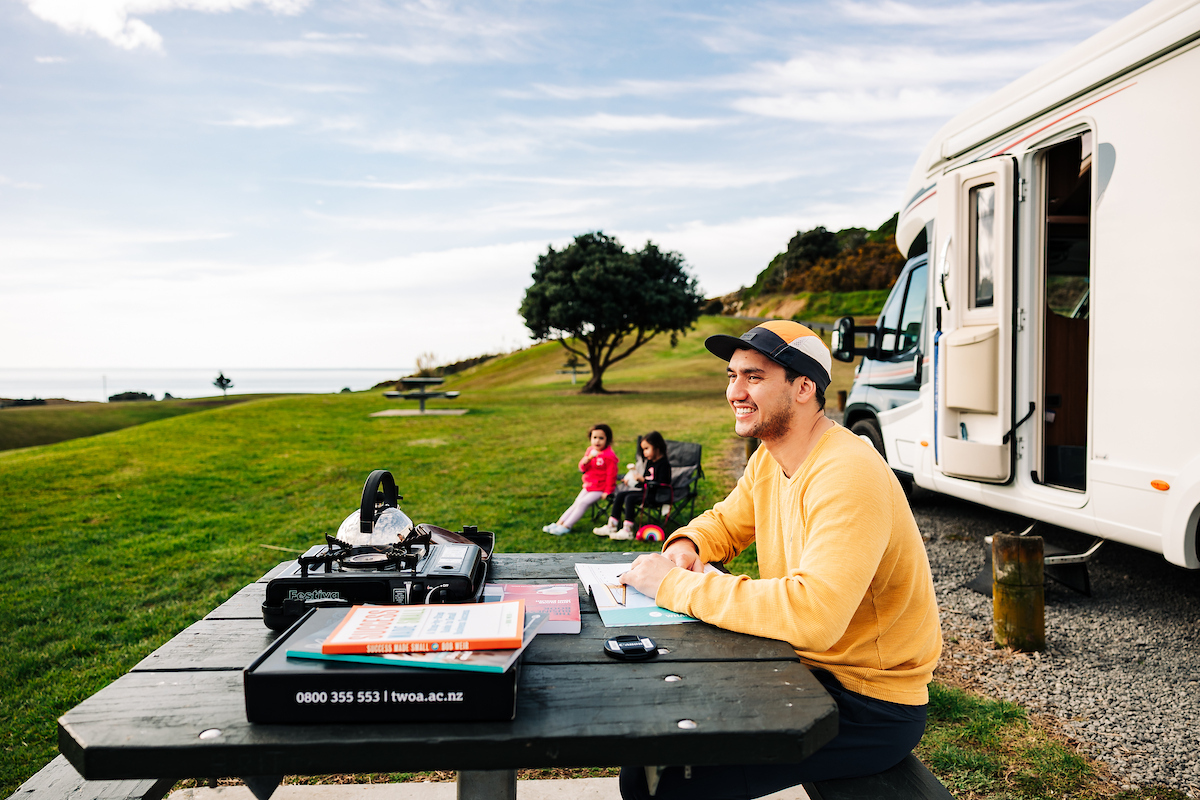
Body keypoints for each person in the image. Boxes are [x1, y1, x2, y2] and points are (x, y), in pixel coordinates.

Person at [618, 320, 942, 800]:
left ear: (804, 387)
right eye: (731, 376)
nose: (735, 391)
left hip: (867, 701)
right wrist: (686, 547)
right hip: (802, 667)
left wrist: (674, 586)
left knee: (663, 780)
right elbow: (726, 523)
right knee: (651, 747)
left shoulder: (848, 473)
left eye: (753, 376)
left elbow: (815, 615)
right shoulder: (771, 458)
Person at [593, 431, 672, 540]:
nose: (644, 452)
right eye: (643, 449)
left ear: (657, 447)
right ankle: (612, 525)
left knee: (630, 498)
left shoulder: (664, 464)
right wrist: (632, 480)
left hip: (657, 496)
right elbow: (644, 480)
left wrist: (643, 480)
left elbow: (662, 483)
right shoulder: (649, 462)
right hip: (645, 492)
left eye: (646, 449)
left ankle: (627, 530)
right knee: (621, 495)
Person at [542, 423, 618, 535]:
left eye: (601, 438)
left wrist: (608, 490)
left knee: (582, 503)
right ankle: (559, 523)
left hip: (600, 488)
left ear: (608, 440)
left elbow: (611, 475)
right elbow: (582, 468)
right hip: (589, 485)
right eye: (594, 438)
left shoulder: (609, 456)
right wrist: (586, 460)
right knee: (576, 503)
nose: (597, 441)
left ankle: (567, 526)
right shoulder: (590, 451)